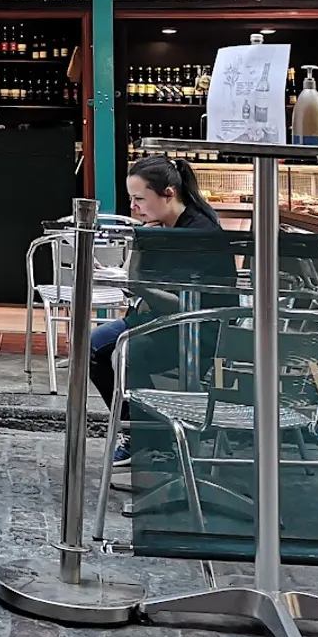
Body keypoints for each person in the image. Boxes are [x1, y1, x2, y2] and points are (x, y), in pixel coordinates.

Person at [90, 154, 234, 465]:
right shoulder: (163, 227)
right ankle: (148, 434)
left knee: (126, 352)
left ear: (168, 193)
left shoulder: (196, 233)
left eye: (140, 198)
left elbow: (190, 304)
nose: (133, 207)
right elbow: (137, 280)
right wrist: (141, 244)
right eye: (131, 199)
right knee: (94, 346)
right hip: (163, 320)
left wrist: (141, 288)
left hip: (201, 329)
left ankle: (153, 439)